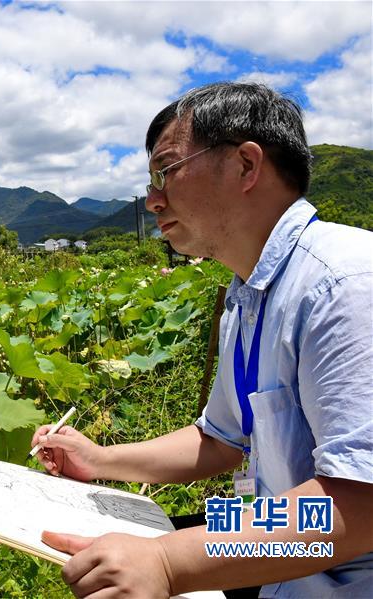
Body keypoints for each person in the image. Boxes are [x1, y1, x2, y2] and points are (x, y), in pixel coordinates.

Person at [32, 82, 373, 598]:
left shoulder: (344, 284)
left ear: (246, 166)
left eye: (165, 171)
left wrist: (168, 564)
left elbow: (360, 504)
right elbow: (219, 440)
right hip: (275, 566)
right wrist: (100, 459)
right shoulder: (248, 292)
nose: (151, 199)